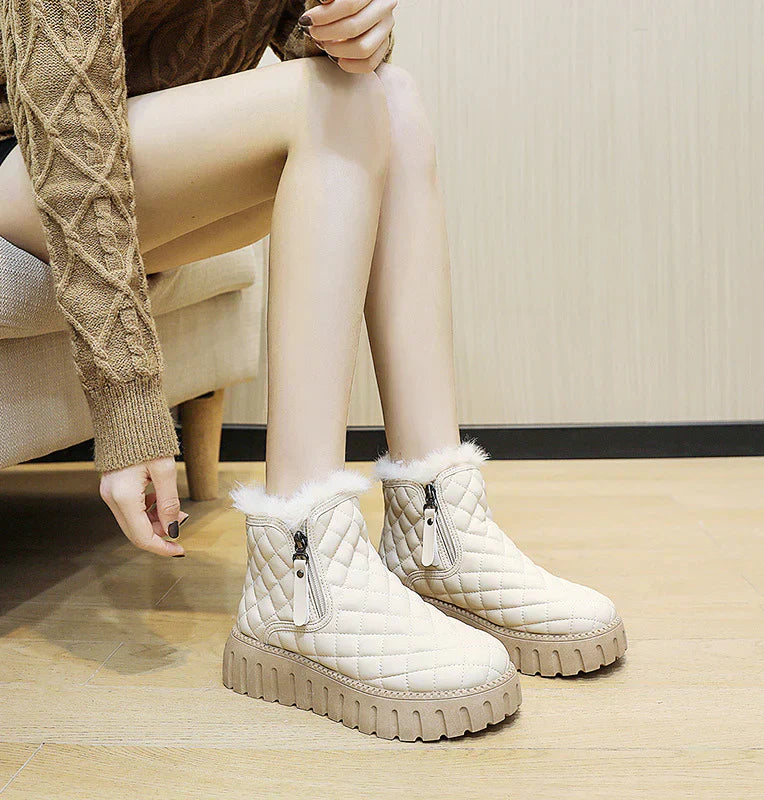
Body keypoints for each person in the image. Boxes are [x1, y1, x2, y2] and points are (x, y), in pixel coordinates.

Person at [0, 0, 626, 741]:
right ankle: (301, 566)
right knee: (327, 101)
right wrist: (126, 398)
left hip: (137, 147)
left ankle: (439, 531)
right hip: (33, 150)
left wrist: (351, 28)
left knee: (390, 96)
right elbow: (67, 121)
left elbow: (304, 43)